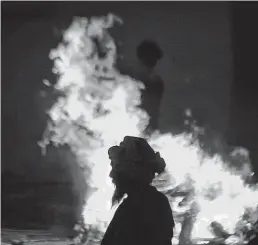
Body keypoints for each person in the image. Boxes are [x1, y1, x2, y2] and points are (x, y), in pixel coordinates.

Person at [101, 136, 175, 245]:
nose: (111, 175)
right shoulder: (135, 203)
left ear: (132, 170)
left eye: (117, 168)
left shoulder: (149, 205)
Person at [118, 40, 165, 133]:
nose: (150, 68)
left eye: (153, 63)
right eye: (148, 62)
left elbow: (154, 111)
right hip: (126, 126)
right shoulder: (125, 79)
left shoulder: (156, 84)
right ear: (140, 59)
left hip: (145, 129)